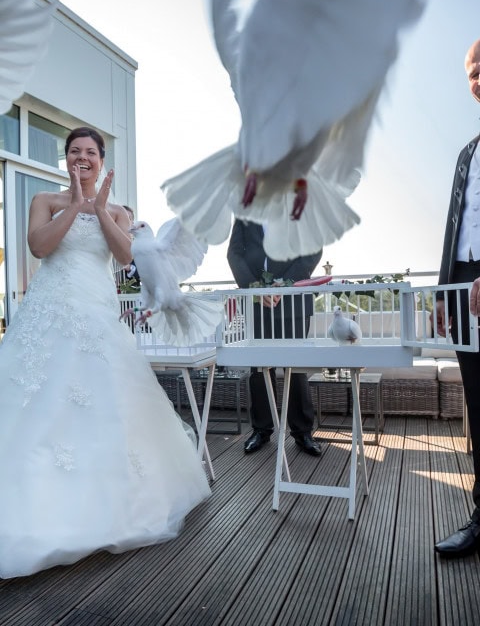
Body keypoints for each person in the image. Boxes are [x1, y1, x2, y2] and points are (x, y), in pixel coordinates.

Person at [0, 126, 211, 579]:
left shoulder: (118, 209)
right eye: (74, 151)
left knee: (108, 405)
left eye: (90, 152)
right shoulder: (46, 202)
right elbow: (39, 246)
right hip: (50, 311)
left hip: (97, 314)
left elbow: (124, 258)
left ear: (100, 159)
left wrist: (99, 211)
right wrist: (75, 207)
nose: (82, 157)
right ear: (66, 159)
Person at [433, 39, 480, 558]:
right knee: (478, 404)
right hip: (465, 290)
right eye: (471, 71)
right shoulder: (467, 152)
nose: (478, 77)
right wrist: (445, 291)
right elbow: (453, 226)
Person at [227, 219, 323, 456]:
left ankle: (302, 432)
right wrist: (255, 288)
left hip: (294, 302)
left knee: (296, 367)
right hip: (257, 304)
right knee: (259, 369)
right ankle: (261, 429)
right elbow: (234, 254)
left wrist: (283, 285)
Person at [121, 204, 141, 289]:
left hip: (130, 296)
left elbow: (143, 273)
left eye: (128, 218)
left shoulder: (138, 244)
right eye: (122, 218)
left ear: (132, 223)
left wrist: (131, 269)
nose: (125, 221)